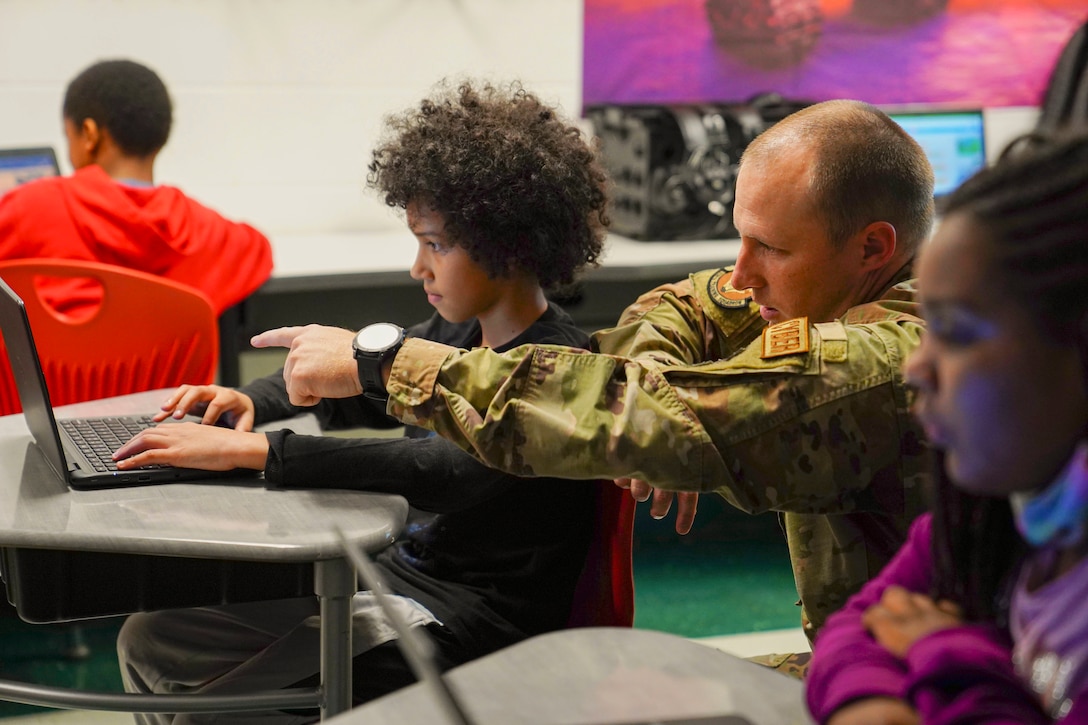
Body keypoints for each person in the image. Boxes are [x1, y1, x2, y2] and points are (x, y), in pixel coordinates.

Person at [252, 99, 937, 645]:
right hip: (873, 655)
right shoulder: (828, 288)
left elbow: (637, 414)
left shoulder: (886, 366)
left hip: (939, 687)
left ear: (873, 247)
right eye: (741, 236)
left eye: (772, 248)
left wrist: (381, 365)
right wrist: (650, 406)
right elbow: (681, 306)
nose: (741, 271)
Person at [110, 78, 610, 724]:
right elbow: (364, 384)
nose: (417, 268)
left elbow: (437, 472)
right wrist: (249, 402)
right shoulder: (458, 334)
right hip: (397, 583)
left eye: (434, 244)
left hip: (470, 627)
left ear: (506, 244)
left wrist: (259, 452)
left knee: (219, 712)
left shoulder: (561, 368)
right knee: (148, 639)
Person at [804, 130, 1088, 723]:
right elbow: (855, 628)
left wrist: (948, 653)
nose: (916, 367)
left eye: (956, 332)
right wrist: (876, 705)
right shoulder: (985, 521)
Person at [0, 58, 273, 319]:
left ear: (89, 135)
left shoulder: (28, 208)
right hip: (161, 370)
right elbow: (259, 250)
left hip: (47, 369)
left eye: (68, 136)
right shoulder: (199, 227)